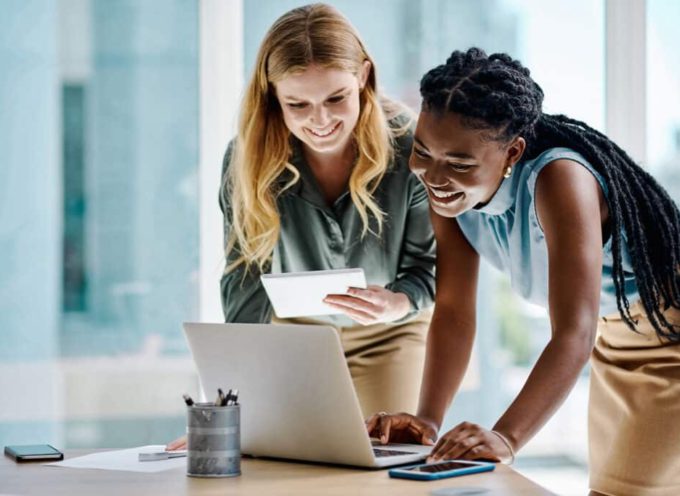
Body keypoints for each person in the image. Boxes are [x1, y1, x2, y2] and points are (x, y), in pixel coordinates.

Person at [366, 48, 680, 496]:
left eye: (458, 163)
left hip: (669, 335)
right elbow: (455, 309)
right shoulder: (449, 195)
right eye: (422, 151)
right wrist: (428, 422)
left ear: (512, 151)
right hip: (619, 334)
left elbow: (574, 329)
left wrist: (507, 438)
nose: (434, 175)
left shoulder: (560, 178)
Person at [166, 4, 435, 452]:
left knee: (384, 458)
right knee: (284, 458)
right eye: (298, 104)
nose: (321, 120)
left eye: (336, 98)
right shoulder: (247, 159)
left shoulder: (410, 146)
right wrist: (231, 404)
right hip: (294, 336)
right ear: (273, 96)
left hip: (390, 331)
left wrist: (398, 302)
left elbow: (429, 264)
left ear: (364, 76)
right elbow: (244, 279)